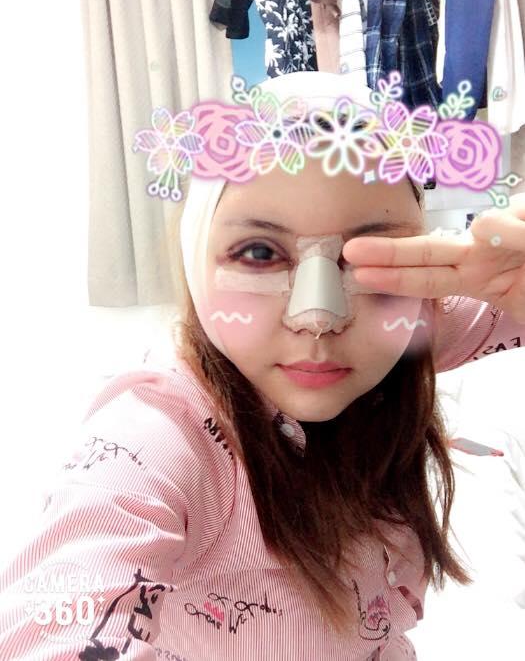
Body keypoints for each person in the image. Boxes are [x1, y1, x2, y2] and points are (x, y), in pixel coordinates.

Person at [1, 71, 524, 660]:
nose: (319, 318)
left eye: (366, 259)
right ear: (198, 262)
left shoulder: (399, 326)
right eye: (259, 253)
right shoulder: (160, 438)